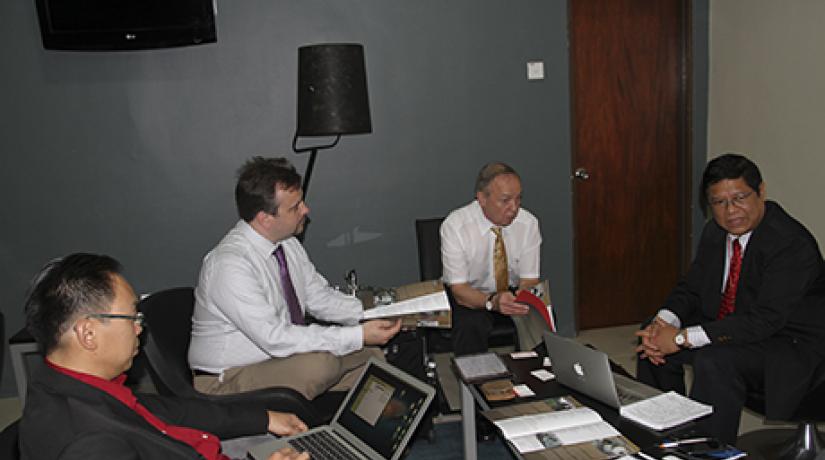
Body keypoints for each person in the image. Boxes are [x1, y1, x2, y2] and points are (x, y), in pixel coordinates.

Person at [19, 253, 309, 460]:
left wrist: (263, 418)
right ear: (88, 333)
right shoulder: (90, 443)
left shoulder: (73, 384)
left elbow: (173, 412)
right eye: (131, 317)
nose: (139, 328)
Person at [635, 153, 825, 444]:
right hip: (741, 327)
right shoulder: (716, 232)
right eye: (719, 203)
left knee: (715, 359)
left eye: (740, 197)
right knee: (651, 335)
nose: (731, 211)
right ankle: (665, 434)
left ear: (761, 191)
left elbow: (764, 321)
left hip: (792, 346)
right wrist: (663, 323)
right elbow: (692, 288)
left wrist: (681, 338)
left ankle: (710, 450)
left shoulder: (789, 244)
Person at [189, 157, 400, 400]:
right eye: (295, 207)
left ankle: (357, 433)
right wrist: (357, 336)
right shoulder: (229, 265)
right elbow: (275, 339)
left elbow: (319, 298)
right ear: (265, 218)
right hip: (225, 379)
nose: (306, 210)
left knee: (374, 358)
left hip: (276, 361)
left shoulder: (287, 244)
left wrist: (371, 314)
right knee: (321, 366)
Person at [440, 161, 542, 356]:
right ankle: (475, 383)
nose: (514, 208)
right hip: (469, 293)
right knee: (471, 325)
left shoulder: (528, 223)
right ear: (482, 199)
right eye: (505, 200)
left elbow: (529, 280)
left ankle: (532, 377)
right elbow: (459, 290)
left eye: (518, 199)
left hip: (511, 290)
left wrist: (520, 300)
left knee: (538, 315)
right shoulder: (455, 225)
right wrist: (493, 302)